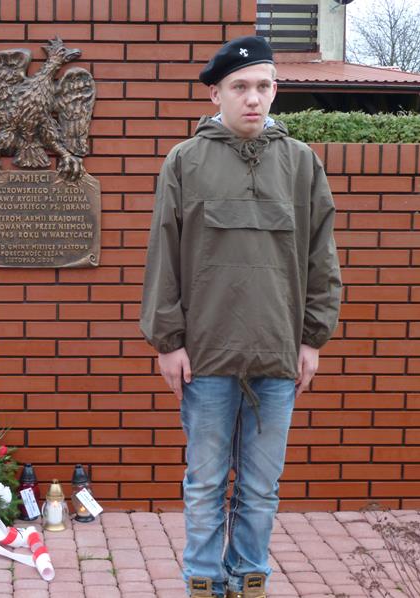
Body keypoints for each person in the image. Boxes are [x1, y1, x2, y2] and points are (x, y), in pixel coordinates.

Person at [139, 37, 341, 598]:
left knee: (261, 486)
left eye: (263, 86)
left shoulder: (301, 164)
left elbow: (321, 259)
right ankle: (203, 580)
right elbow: (164, 256)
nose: (254, 98)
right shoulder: (185, 162)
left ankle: (249, 577)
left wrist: (312, 340)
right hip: (206, 356)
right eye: (240, 87)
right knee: (205, 482)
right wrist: (168, 342)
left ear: (275, 91)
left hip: (277, 355)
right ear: (216, 94)